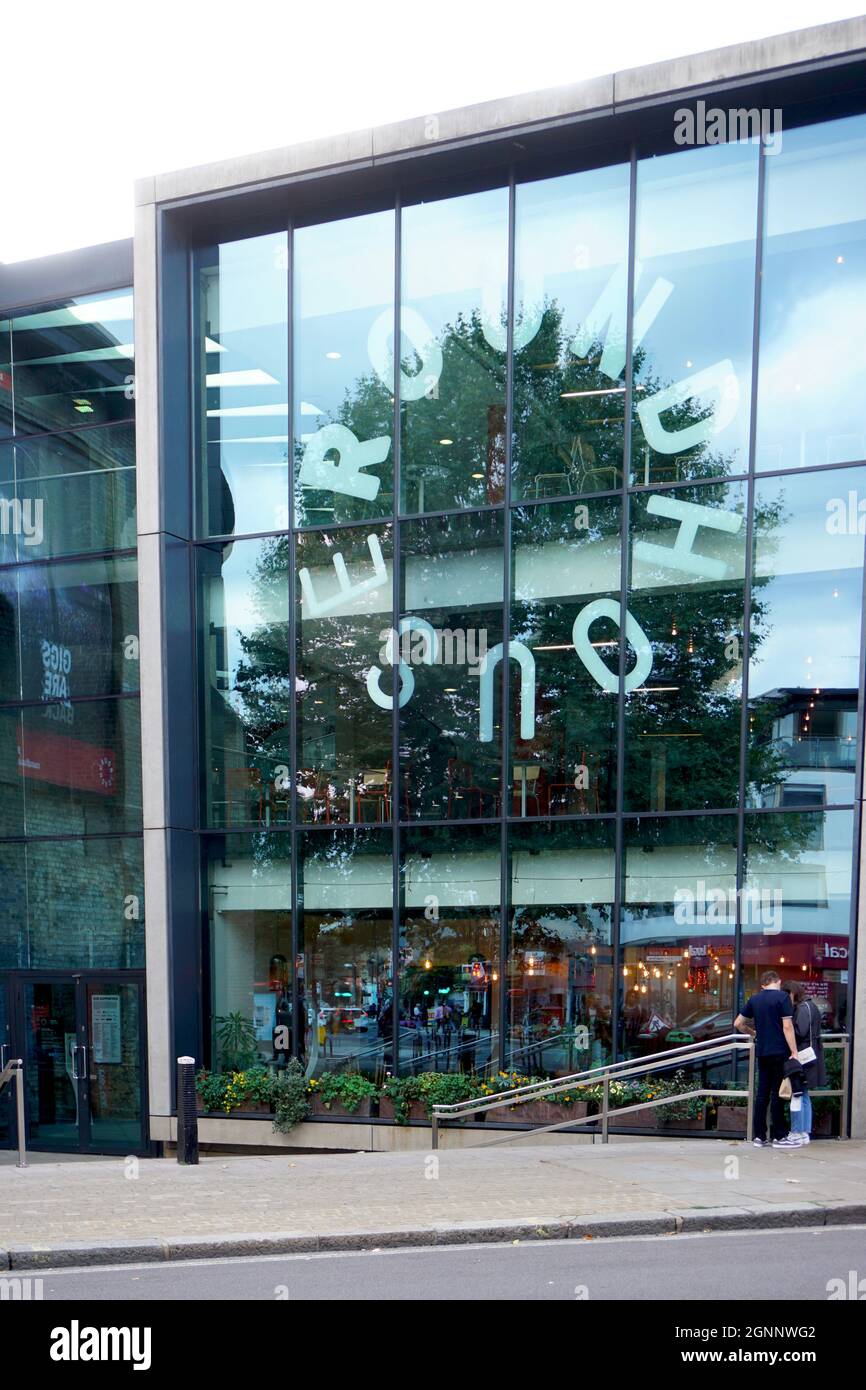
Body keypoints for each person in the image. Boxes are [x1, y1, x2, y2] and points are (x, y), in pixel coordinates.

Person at [734, 970, 800, 1148]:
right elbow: (787, 1026)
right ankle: (779, 1136)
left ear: (763, 984)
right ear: (777, 981)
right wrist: (794, 1051)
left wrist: (753, 1033)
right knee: (777, 1093)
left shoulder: (755, 999)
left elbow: (738, 1023)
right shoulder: (783, 998)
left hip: (762, 1051)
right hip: (780, 1051)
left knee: (762, 1094)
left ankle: (759, 1136)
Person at [783, 982, 826, 1147]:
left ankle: (796, 1132)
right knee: (805, 1095)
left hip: (802, 1056)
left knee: (798, 1093)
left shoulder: (802, 1008)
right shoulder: (811, 1006)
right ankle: (804, 1133)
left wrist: (787, 1027)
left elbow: (800, 1031)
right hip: (812, 1055)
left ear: (793, 993)